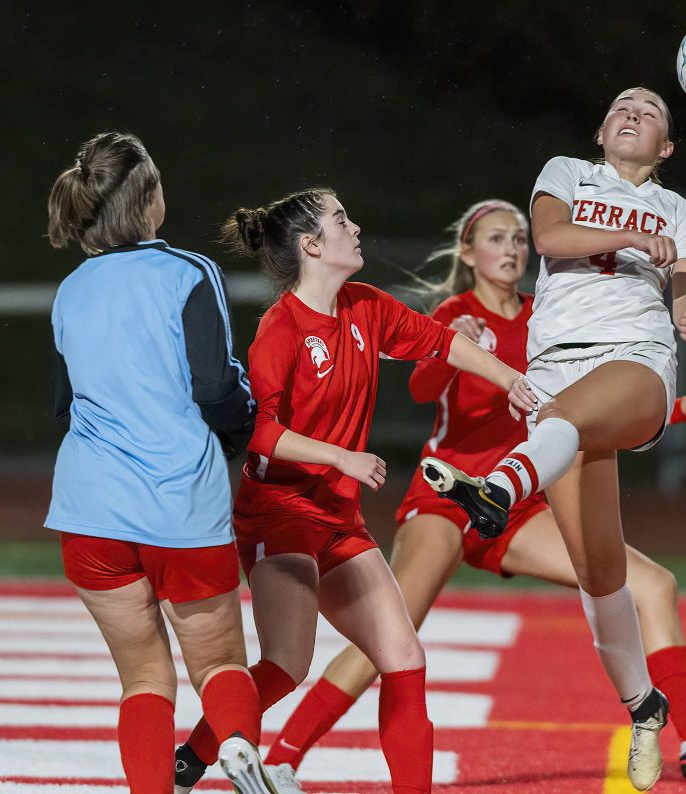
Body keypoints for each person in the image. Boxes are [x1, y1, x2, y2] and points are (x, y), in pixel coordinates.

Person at [267, 199, 686, 785]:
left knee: (653, 584)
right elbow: (420, 388)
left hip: (516, 503)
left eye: (518, 237)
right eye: (496, 238)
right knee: (390, 638)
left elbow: (589, 402)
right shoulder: (457, 311)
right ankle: (281, 758)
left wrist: (676, 411)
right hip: (447, 495)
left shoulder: (549, 320)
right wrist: (454, 345)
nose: (512, 248)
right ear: (469, 254)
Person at [172, 188, 537, 794]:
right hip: (279, 513)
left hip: (339, 518)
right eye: (342, 220)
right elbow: (259, 432)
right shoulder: (281, 329)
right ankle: (192, 760)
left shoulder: (365, 305)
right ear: (312, 245)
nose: (356, 226)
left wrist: (509, 378)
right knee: (287, 667)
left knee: (405, 659)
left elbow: (441, 342)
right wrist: (340, 456)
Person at [421, 87, 686, 792]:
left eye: (650, 110)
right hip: (555, 374)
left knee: (566, 424)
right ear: (600, 129)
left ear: (666, 148)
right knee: (599, 573)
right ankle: (645, 707)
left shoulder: (683, 212)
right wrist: (630, 237)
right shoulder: (566, 174)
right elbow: (550, 237)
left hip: (636, 363)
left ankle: (500, 486)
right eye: (622, 104)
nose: (633, 110)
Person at [45, 131, 277, 793]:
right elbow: (215, 389)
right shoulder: (189, 272)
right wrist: (242, 427)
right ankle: (235, 747)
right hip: (181, 504)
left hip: (91, 510)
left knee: (144, 678)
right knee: (222, 667)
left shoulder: (71, 289)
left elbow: (62, 401)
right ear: (150, 201)